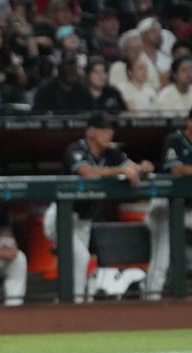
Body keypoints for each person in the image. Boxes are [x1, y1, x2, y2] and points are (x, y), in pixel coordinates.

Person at [43, 111, 154, 302]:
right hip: (61, 216)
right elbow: (85, 171)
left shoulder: (112, 152)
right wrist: (120, 170)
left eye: (110, 129)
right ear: (91, 132)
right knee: (81, 258)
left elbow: (133, 167)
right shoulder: (76, 148)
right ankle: (73, 303)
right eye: (104, 129)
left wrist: (144, 167)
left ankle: (69, 301)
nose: (109, 133)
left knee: (76, 261)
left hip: (84, 220)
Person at [144, 104, 192, 300]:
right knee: (161, 259)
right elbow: (175, 169)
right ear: (190, 123)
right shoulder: (174, 140)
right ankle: (150, 302)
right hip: (165, 207)